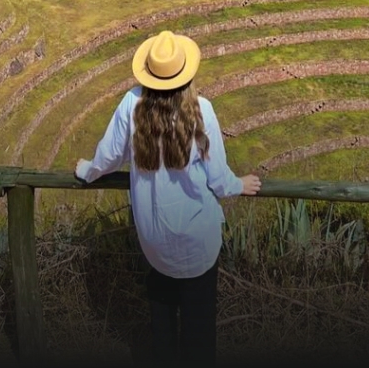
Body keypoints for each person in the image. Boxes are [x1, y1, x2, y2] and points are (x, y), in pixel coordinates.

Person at [74, 29, 261, 364]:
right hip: (198, 242)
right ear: (187, 72)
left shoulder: (132, 104)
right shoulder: (202, 109)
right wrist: (240, 184)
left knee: (161, 325)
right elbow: (218, 180)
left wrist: (86, 171)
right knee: (199, 332)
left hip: (154, 239)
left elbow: (108, 157)